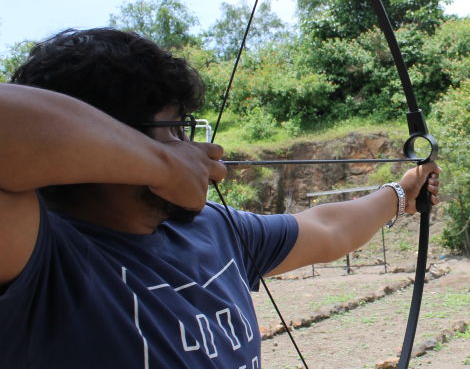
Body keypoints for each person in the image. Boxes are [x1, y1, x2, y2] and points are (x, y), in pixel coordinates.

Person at [0, 28, 440, 368]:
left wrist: (402, 194)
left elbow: (327, 228)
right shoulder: (34, 250)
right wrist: (163, 164)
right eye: (171, 130)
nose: (202, 151)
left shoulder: (211, 228)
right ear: (109, 136)